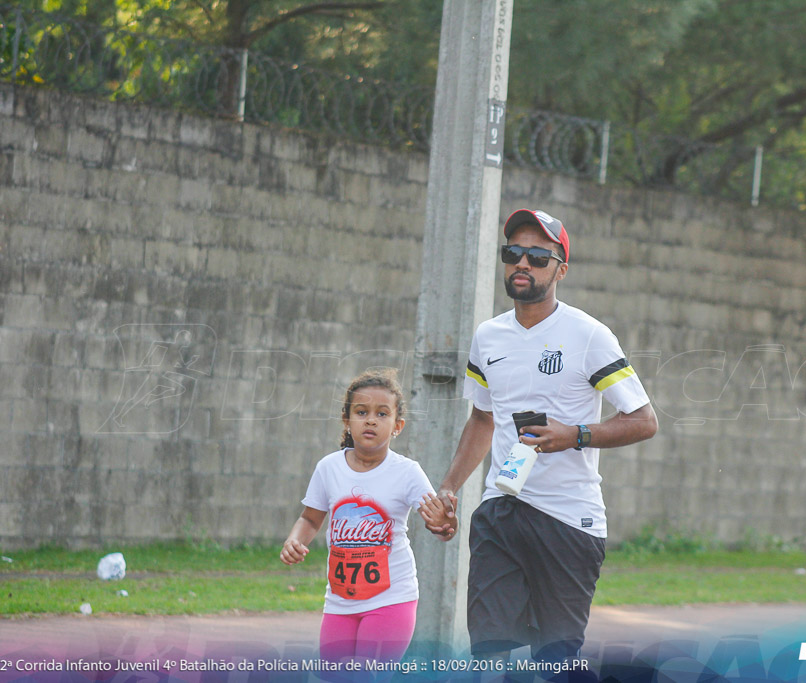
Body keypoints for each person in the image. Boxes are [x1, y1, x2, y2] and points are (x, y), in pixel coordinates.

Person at [426, 209, 658, 664]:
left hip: (568, 519)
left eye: (537, 255)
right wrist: (450, 487)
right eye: (513, 253)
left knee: (554, 665)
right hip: (501, 511)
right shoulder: (488, 337)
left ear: (560, 269)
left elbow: (643, 419)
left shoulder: (589, 335)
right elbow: (482, 420)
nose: (523, 264)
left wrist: (575, 435)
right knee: (490, 656)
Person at [280, 369, 457, 668]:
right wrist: (295, 540)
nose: (371, 420)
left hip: (391, 599)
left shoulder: (407, 472)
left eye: (382, 413)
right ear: (347, 421)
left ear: (397, 425)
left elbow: (442, 528)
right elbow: (310, 519)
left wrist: (444, 523)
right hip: (340, 600)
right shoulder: (329, 468)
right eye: (361, 412)